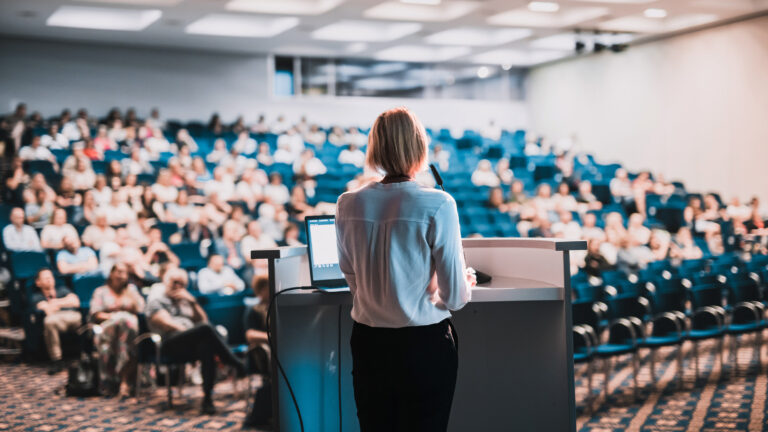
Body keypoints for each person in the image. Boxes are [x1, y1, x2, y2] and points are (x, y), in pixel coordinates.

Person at [335, 107, 475, 431]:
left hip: (369, 343)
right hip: (423, 346)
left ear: (376, 147)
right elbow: (454, 298)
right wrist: (463, 282)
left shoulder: (347, 203)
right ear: (419, 147)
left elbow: (353, 278)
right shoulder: (439, 203)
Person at [146, 268, 246, 414]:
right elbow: (167, 324)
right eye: (175, 282)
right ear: (165, 282)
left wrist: (192, 302)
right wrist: (192, 332)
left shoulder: (186, 302)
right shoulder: (156, 301)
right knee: (204, 330)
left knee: (207, 346)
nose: (178, 287)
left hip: (191, 343)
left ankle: (207, 400)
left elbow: (203, 320)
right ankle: (233, 361)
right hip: (170, 343)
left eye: (182, 284)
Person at [90, 263, 145, 396]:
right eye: (118, 272)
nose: (121, 275)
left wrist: (128, 308)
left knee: (127, 330)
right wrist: (115, 316)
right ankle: (117, 380)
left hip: (129, 332)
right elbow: (96, 314)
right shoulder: (101, 291)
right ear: (111, 274)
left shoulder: (131, 291)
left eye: (124, 273)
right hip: (108, 327)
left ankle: (123, 380)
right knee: (121, 322)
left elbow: (141, 309)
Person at [31, 268, 82, 374]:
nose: (49, 279)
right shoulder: (36, 296)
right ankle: (57, 360)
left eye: (50, 277)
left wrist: (56, 302)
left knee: (85, 317)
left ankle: (86, 354)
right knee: (49, 322)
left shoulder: (62, 289)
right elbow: (48, 310)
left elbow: (76, 302)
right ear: (38, 282)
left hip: (72, 317)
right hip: (56, 321)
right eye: (45, 278)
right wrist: (65, 302)